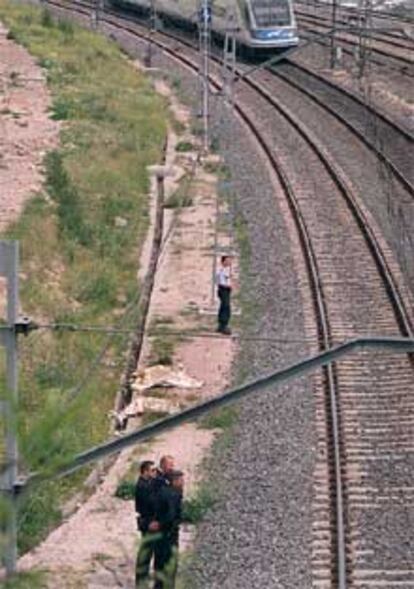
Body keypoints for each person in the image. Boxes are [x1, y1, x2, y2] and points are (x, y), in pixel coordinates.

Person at [153, 470, 184, 589]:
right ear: (174, 481)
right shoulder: (174, 494)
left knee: (159, 563)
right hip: (169, 535)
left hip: (159, 535)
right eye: (181, 480)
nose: (183, 483)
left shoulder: (162, 491)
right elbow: (171, 515)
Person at [135, 460, 159, 588]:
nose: (154, 473)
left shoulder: (147, 483)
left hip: (148, 520)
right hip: (147, 522)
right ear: (145, 471)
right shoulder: (142, 486)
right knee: (146, 553)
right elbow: (151, 502)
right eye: (152, 470)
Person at [216, 255, 232, 335]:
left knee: (224, 306)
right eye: (227, 260)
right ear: (223, 261)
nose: (229, 262)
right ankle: (223, 325)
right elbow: (221, 281)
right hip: (223, 289)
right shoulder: (221, 270)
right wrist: (226, 286)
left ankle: (221, 325)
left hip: (226, 290)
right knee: (226, 307)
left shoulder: (227, 270)